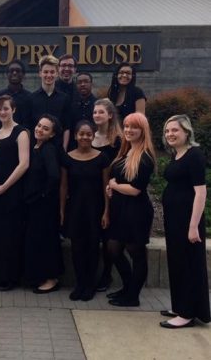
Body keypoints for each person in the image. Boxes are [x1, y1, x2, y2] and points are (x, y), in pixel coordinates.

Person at [159, 115, 210, 328]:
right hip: (175, 219)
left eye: (175, 130)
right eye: (167, 131)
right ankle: (180, 305)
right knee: (177, 262)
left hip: (187, 221)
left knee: (188, 264)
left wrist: (193, 227)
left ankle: (188, 313)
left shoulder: (194, 155)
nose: (170, 134)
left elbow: (200, 192)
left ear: (186, 132)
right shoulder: (177, 154)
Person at [106, 112, 156, 307]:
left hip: (136, 212)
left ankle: (133, 295)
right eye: (126, 126)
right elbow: (119, 180)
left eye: (133, 127)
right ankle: (128, 287)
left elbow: (135, 189)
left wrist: (114, 185)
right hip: (120, 209)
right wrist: (111, 188)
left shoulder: (145, 157)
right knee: (113, 249)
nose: (128, 130)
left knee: (136, 252)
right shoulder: (125, 151)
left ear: (142, 130)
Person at [60, 120, 110, 301]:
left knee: (92, 248)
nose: (85, 137)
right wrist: (62, 211)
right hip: (75, 209)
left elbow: (106, 187)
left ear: (93, 135)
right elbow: (64, 187)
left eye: (89, 134)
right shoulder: (67, 157)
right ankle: (79, 284)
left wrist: (106, 211)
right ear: (75, 136)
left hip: (95, 210)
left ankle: (90, 285)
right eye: (81, 134)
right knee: (77, 248)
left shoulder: (102, 158)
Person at [0, 95, 30, 291]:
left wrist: (5, 186)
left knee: (10, 235)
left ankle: (11, 277)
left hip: (12, 191)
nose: (2, 112)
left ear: (13, 109)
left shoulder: (21, 132)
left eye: (6, 108)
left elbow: (24, 164)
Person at [23, 114, 64, 293]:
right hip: (34, 203)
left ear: (52, 134)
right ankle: (39, 276)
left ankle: (51, 279)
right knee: (36, 241)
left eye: (45, 128)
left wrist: (42, 195)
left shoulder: (48, 149)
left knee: (47, 241)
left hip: (44, 205)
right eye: (39, 125)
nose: (40, 129)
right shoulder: (35, 147)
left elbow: (54, 176)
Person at [92, 98, 123, 291]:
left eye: (101, 112)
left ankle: (106, 275)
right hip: (91, 191)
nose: (97, 115)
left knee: (108, 236)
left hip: (113, 191)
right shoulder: (90, 136)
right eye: (95, 112)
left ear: (110, 115)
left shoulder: (119, 140)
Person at [30, 56, 70, 150]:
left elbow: (66, 127)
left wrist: (64, 149)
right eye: (45, 72)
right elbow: (28, 126)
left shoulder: (64, 98)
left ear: (57, 74)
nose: (49, 75)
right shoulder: (31, 98)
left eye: (52, 72)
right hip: (36, 149)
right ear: (40, 73)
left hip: (57, 149)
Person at [0, 59, 32, 129]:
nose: (14, 73)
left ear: (23, 74)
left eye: (18, 71)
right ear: (7, 74)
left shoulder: (30, 98)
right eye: (11, 71)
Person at [68, 72, 96, 150]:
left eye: (86, 81)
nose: (83, 84)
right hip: (73, 146)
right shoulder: (70, 104)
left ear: (91, 84)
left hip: (94, 145)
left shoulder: (98, 105)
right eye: (79, 82)